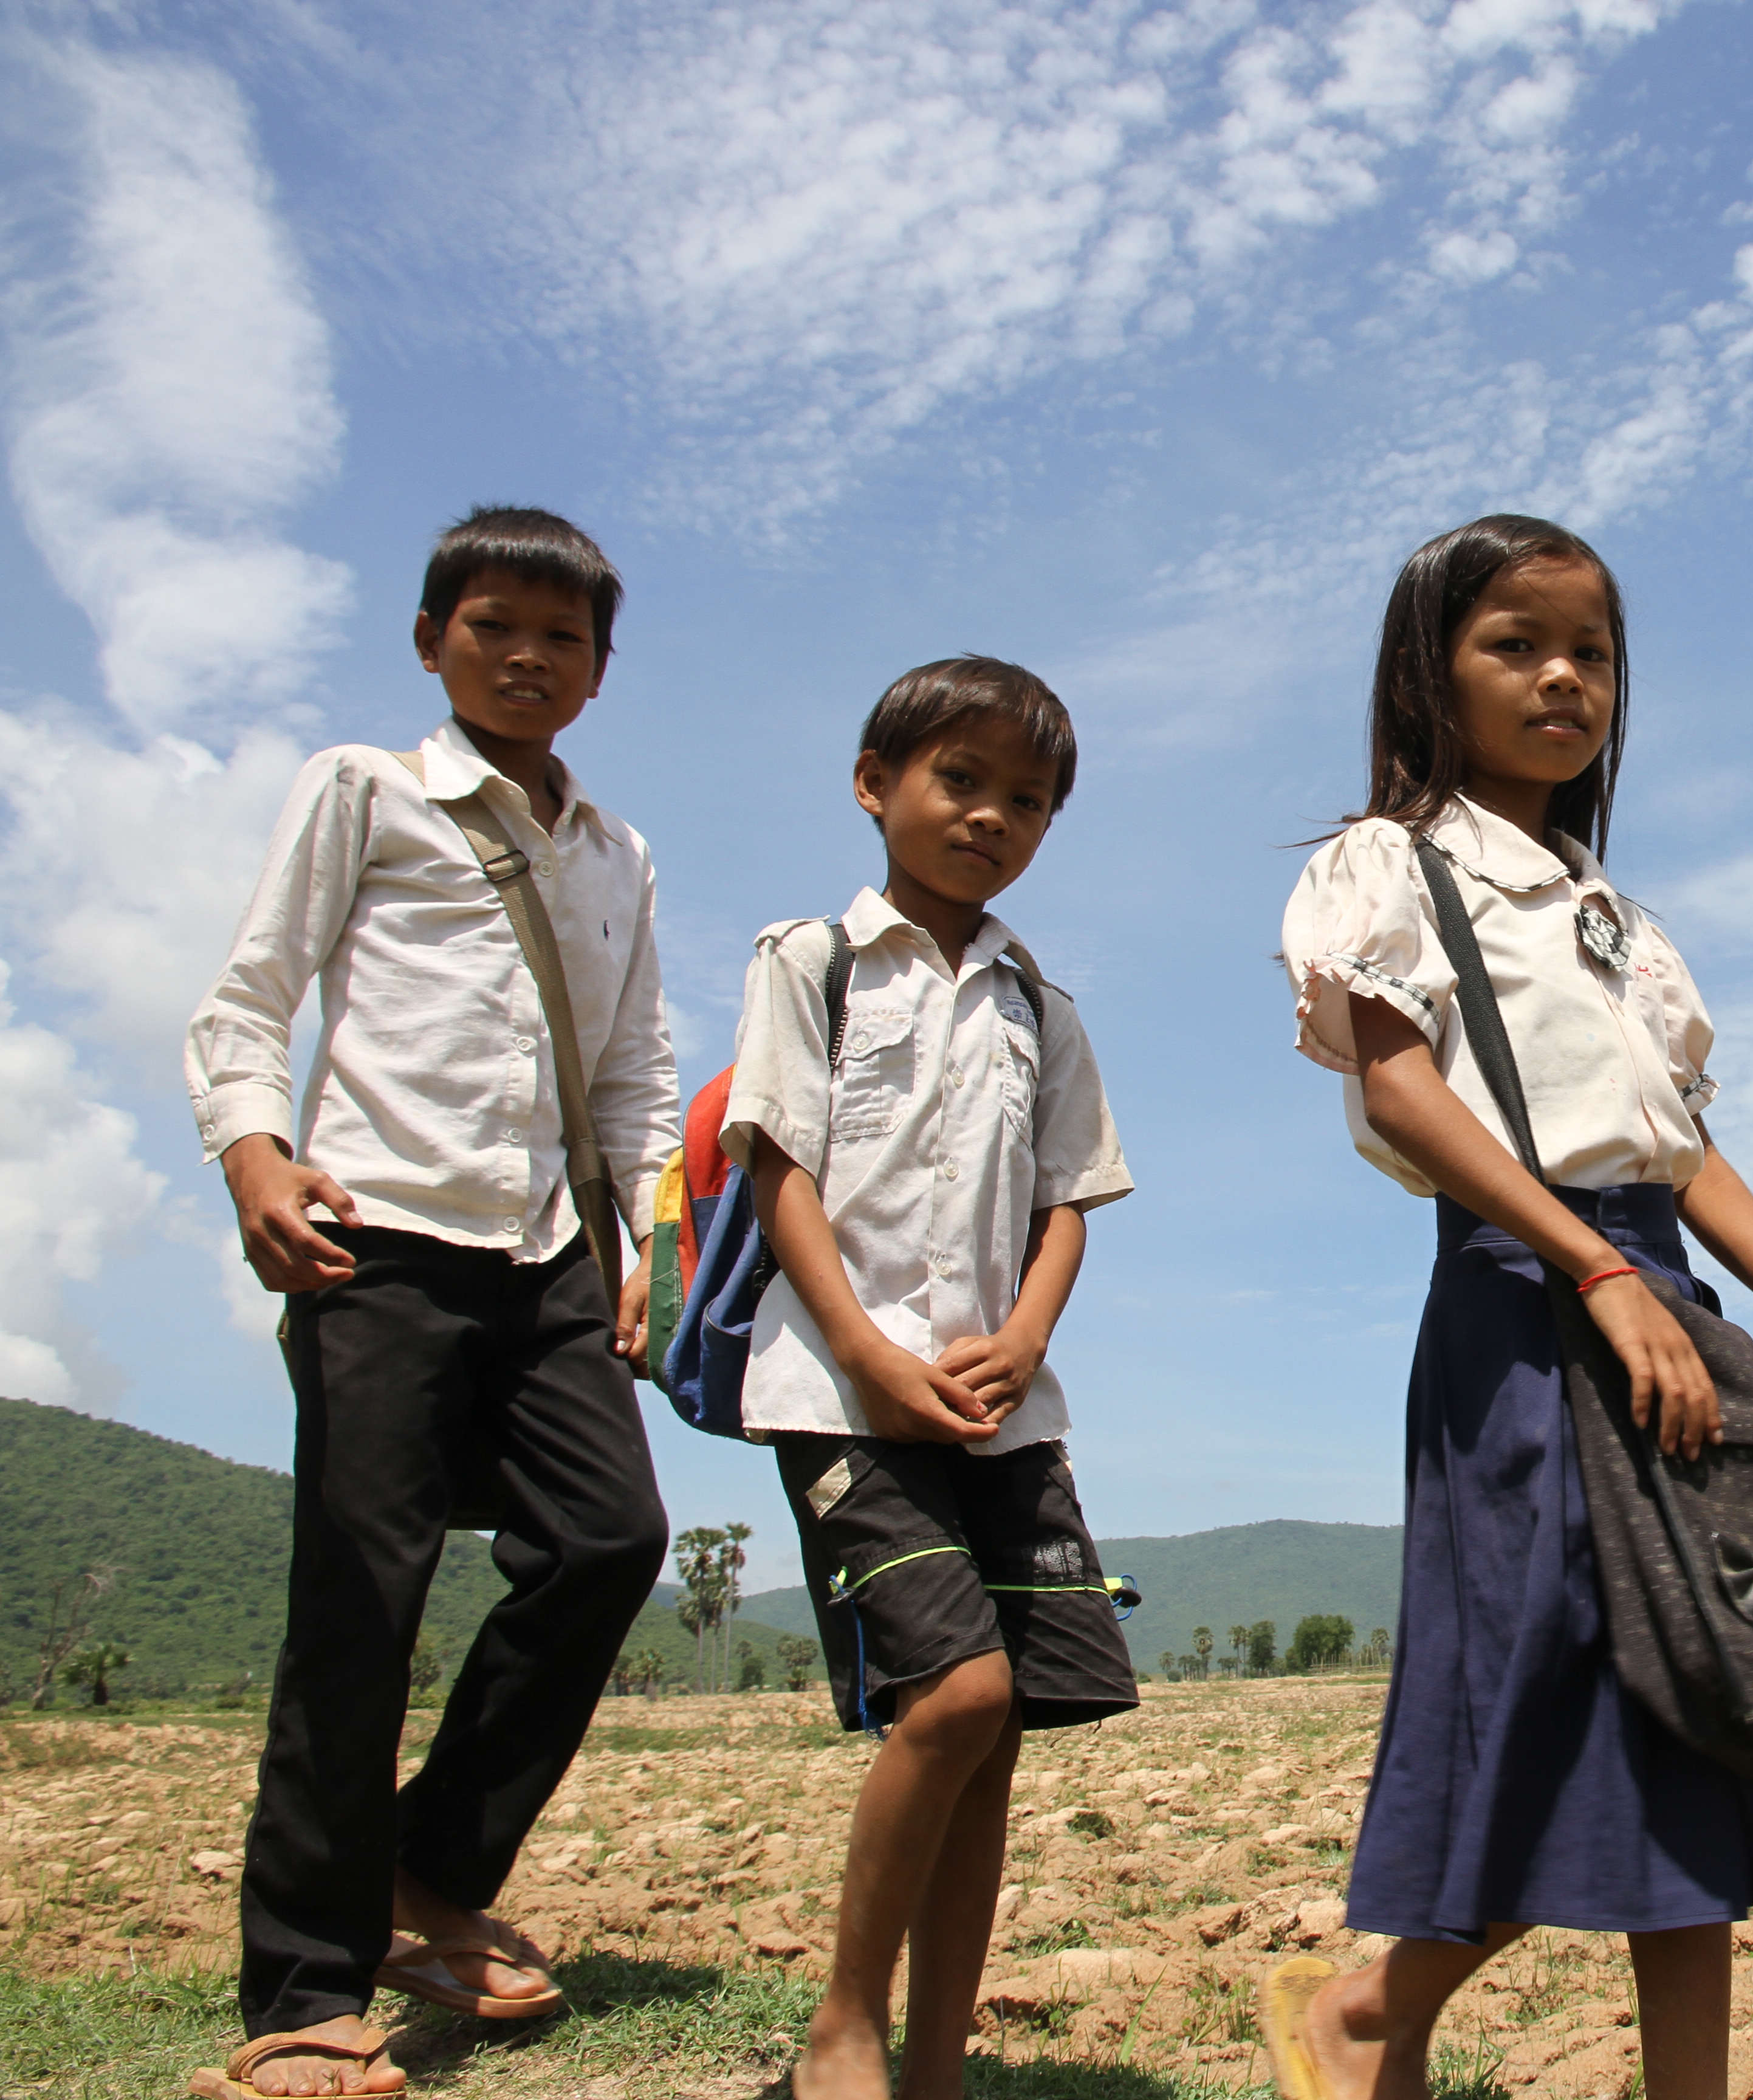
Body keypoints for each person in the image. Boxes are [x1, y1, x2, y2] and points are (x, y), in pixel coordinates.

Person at [1262, 515, 1753, 2100]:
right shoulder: (1386, 868)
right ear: (1429, 673)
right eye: (1515, 645)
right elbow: (1405, 1097)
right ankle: (1367, 2013)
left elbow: (1676, 1147)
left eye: (1590, 652)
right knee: (1548, 1673)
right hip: (1521, 1302)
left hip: (1663, 1302)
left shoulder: (1616, 917)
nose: (1561, 677)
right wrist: (1596, 1273)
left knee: (1706, 1697)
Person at [182, 507, 677, 2099]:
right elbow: (252, 993)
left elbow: (633, 1073)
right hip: (373, 1235)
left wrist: (646, 1243)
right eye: (492, 625)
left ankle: (426, 1870)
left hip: (545, 1257)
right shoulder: (364, 788)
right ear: (431, 641)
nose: (527, 655)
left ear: (602, 672)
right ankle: (305, 1993)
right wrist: (257, 1155)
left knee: (611, 1541)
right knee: (360, 1598)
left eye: (563, 636)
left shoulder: (617, 853)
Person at [720, 656, 1139, 2100]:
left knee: (998, 1733)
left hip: (1004, 1408)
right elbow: (779, 1166)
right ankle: (845, 2025)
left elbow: (1070, 1197)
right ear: (874, 783)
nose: (991, 818)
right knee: (954, 1699)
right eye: (961, 782)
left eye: (1028, 800)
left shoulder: (1042, 1005)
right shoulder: (809, 962)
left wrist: (1027, 1337)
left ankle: (941, 2063)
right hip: (846, 1392)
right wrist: (864, 1351)